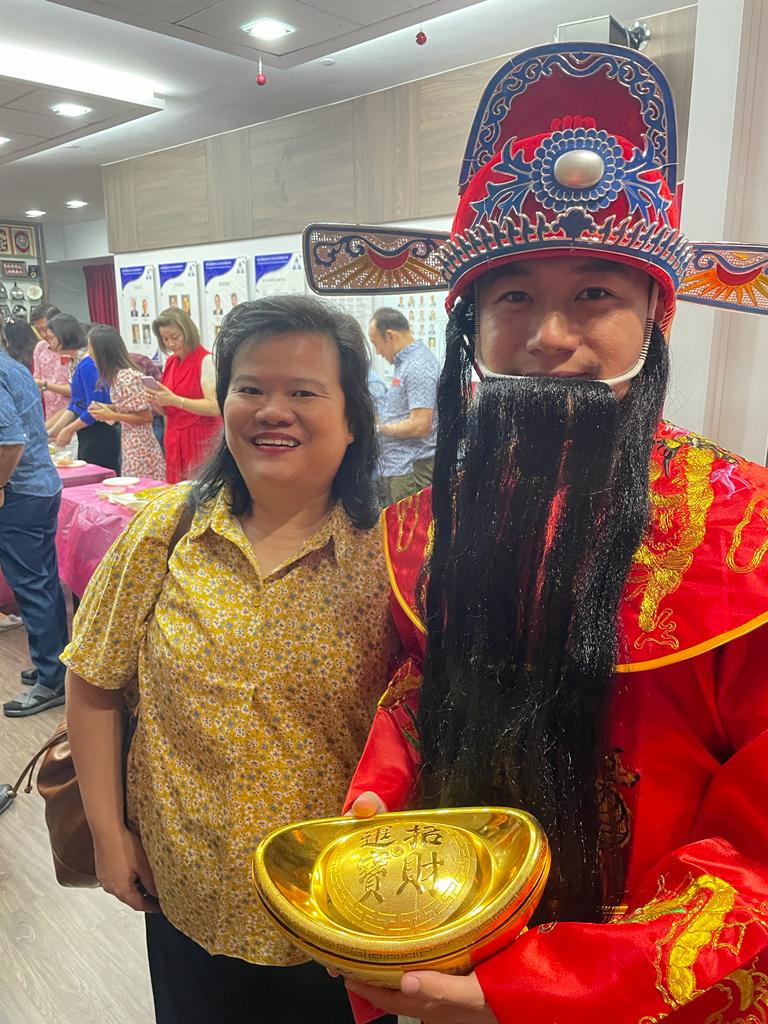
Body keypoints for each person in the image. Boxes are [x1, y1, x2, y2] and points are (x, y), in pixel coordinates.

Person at [305, 41, 768, 1024]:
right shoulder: (431, 517)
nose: (550, 336)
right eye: (513, 294)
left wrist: (537, 991)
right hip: (450, 938)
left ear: (658, 314)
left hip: (646, 991)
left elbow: (758, 854)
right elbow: (426, 682)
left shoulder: (747, 537)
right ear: (470, 323)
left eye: (594, 294)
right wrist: (384, 792)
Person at [62, 295, 395, 1024]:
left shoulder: (395, 556)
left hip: (338, 910)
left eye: (303, 392)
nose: (273, 411)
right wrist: (110, 838)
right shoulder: (166, 529)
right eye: (250, 388)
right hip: (185, 890)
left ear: (353, 417)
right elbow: (92, 681)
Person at [0, 336, 68, 716]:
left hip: (19, 493)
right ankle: (55, 663)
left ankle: (51, 679)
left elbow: (10, 442)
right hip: (42, 486)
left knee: (31, 586)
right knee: (43, 580)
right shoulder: (13, 365)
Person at [368, 307, 438, 504]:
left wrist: (380, 428)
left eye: (376, 343)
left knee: (408, 524)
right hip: (400, 469)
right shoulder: (406, 364)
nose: (378, 352)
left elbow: (420, 425)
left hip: (410, 471)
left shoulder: (418, 366)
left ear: (390, 336)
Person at [147, 307, 221, 483]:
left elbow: (215, 407)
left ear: (188, 333)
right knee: (176, 490)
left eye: (175, 337)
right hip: (174, 435)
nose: (170, 344)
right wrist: (158, 402)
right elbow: (168, 410)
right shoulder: (170, 362)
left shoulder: (206, 360)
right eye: (165, 339)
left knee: (199, 488)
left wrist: (175, 400)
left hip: (200, 436)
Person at [86, 325, 166, 479]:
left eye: (90, 347)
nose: (89, 352)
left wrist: (112, 415)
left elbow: (145, 416)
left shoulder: (126, 377)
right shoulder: (116, 376)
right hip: (130, 441)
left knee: (141, 486)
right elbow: (128, 407)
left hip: (141, 445)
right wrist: (108, 408)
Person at [45, 314, 120, 473]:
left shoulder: (88, 364)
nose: (48, 343)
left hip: (100, 432)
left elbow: (95, 408)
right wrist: (53, 431)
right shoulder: (76, 362)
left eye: (51, 338)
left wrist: (69, 429)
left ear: (63, 335)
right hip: (87, 430)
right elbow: (75, 404)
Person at [30, 302, 70, 420]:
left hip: (73, 417)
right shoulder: (40, 347)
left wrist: (45, 385)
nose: (43, 335)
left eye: (45, 329)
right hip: (50, 415)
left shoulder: (72, 348)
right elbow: (37, 381)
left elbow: (78, 390)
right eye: (38, 330)